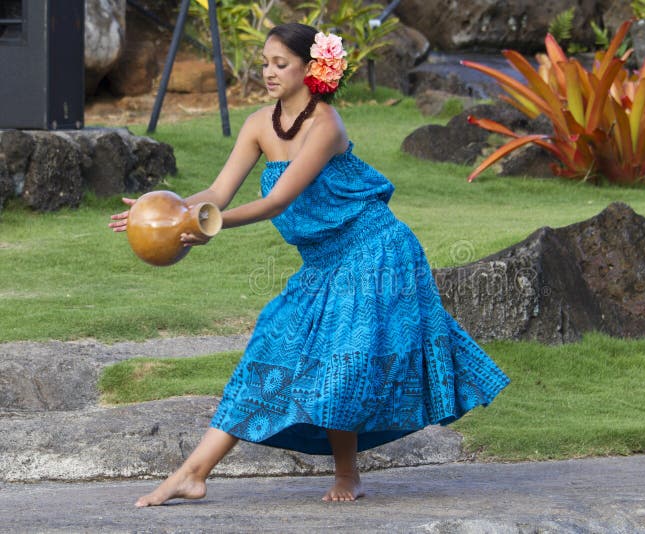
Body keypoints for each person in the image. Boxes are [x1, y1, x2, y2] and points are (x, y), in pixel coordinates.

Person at [109, 22, 509, 506]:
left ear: (311, 68)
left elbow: (278, 201)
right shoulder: (260, 125)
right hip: (322, 262)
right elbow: (216, 193)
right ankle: (192, 473)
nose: (269, 73)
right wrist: (165, 215)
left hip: (374, 250)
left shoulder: (326, 125)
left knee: (344, 359)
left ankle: (347, 475)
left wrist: (209, 226)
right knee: (269, 349)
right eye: (264, 63)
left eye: (281, 64)